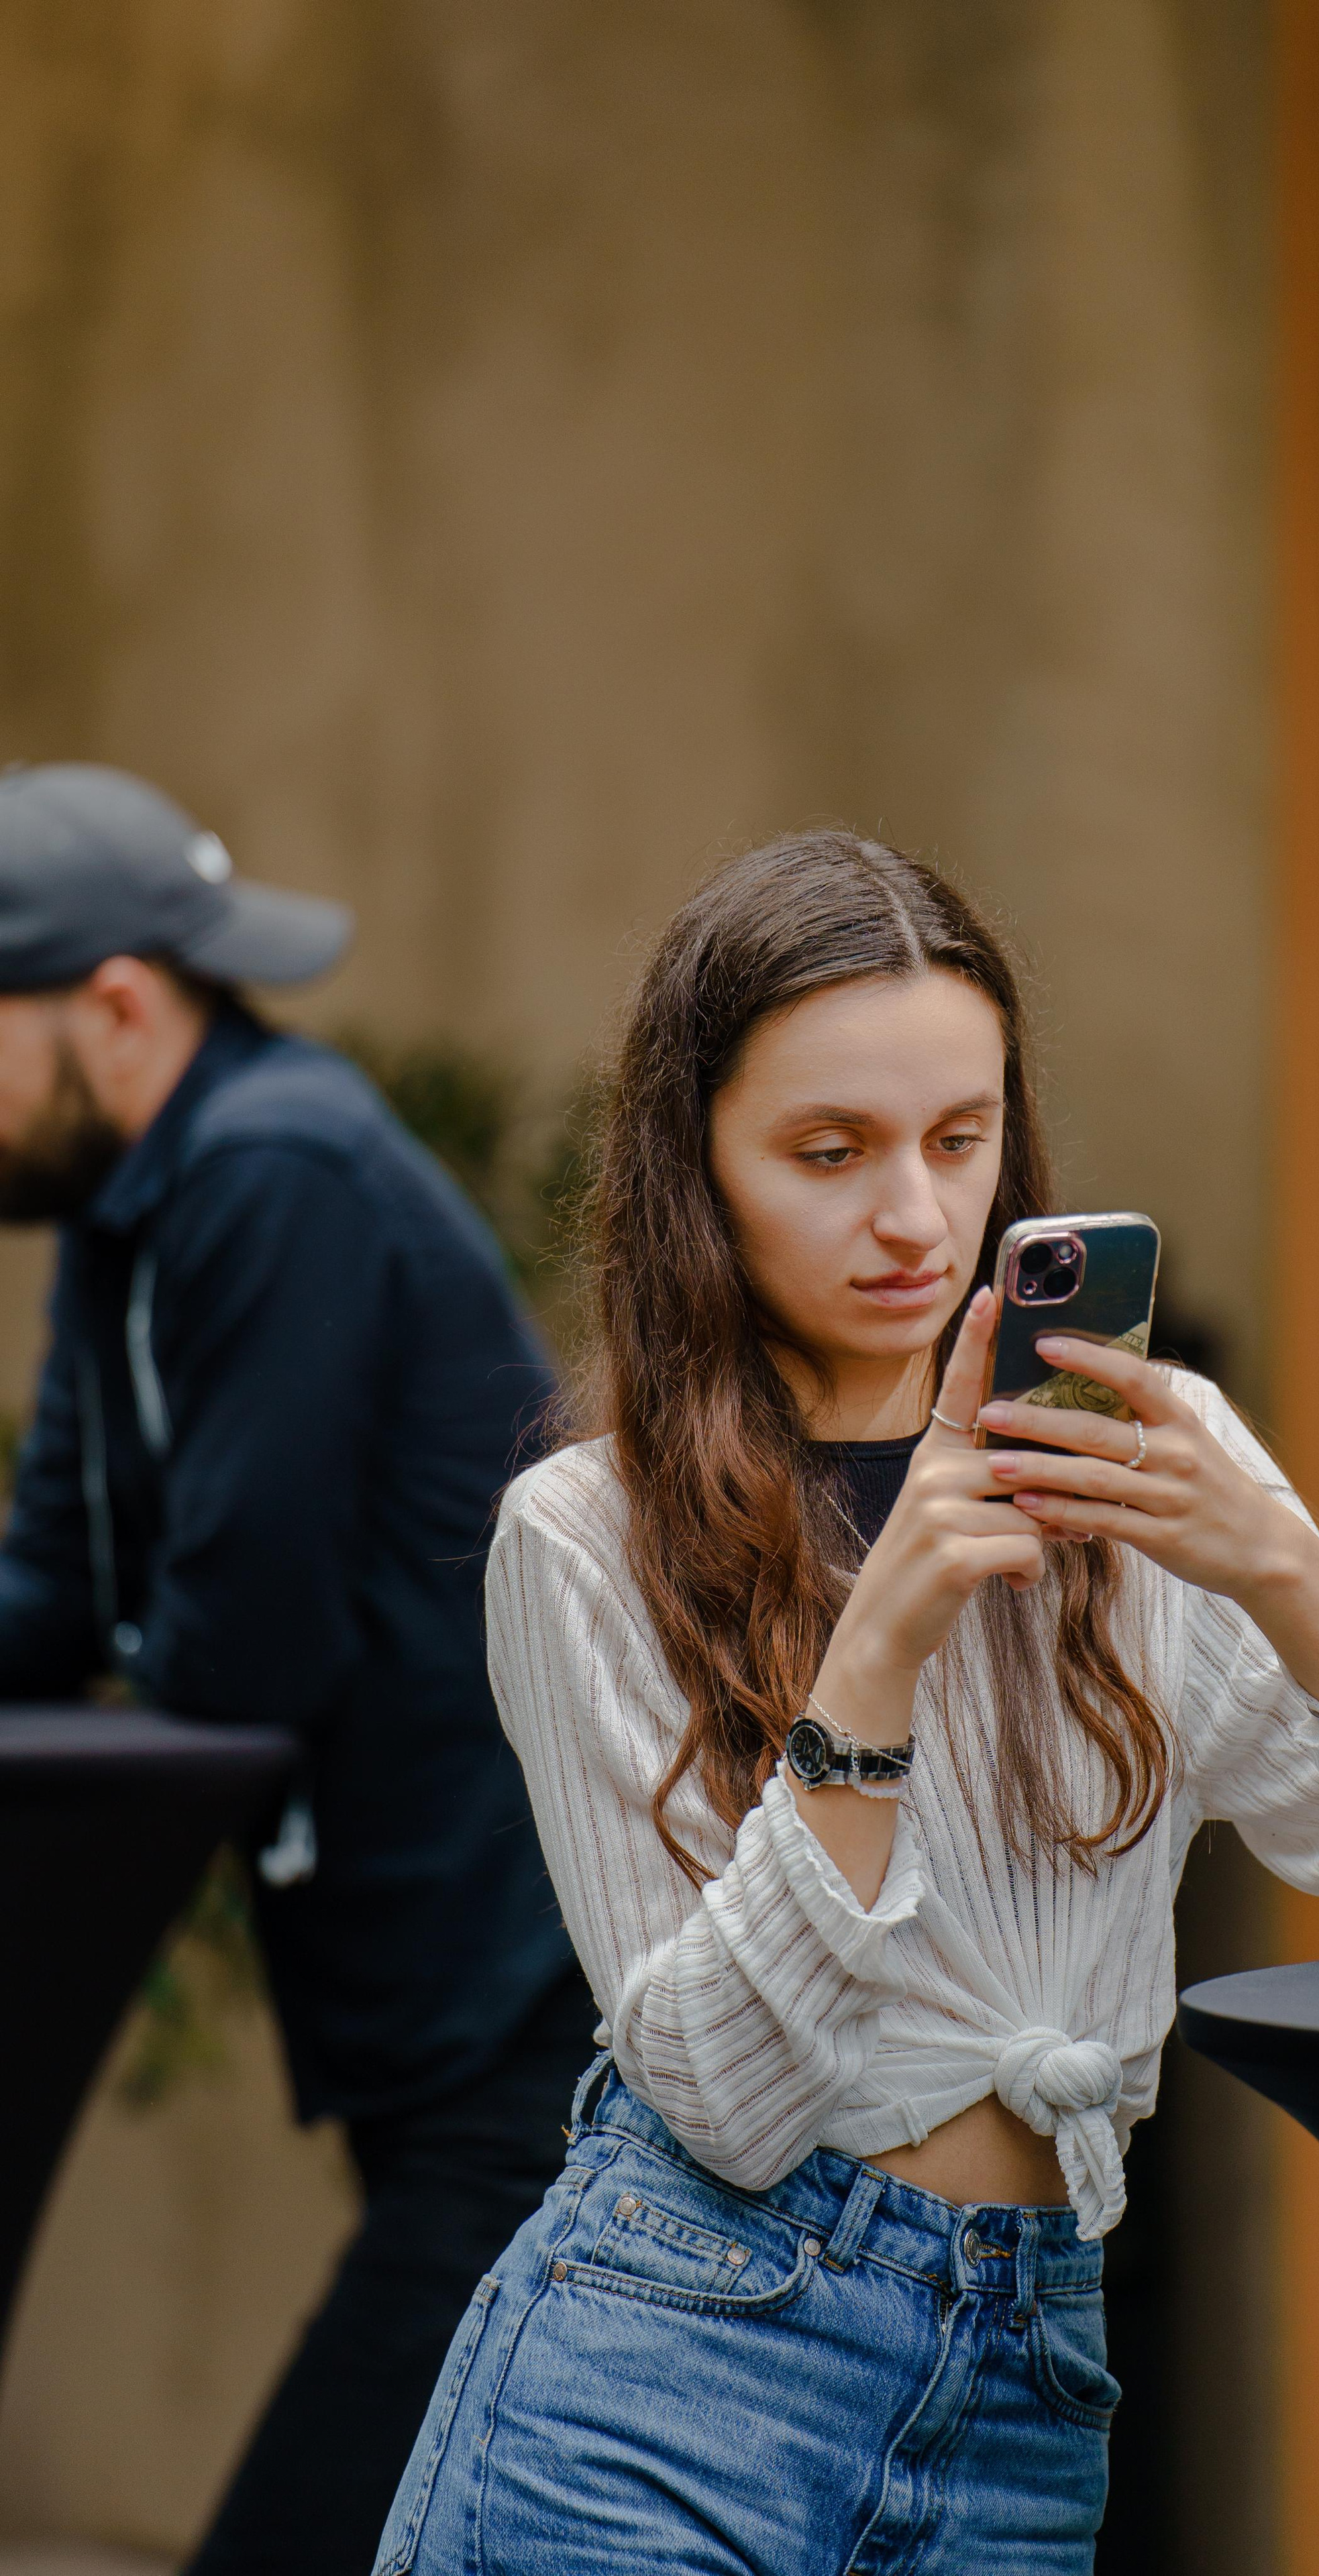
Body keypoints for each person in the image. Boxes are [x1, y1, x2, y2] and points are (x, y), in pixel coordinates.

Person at [376, 830, 1319, 2576]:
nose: (918, 1218)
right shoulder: (590, 1532)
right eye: (829, 1151)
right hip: (673, 2363)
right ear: (694, 1160)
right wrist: (882, 1652)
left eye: (962, 1137)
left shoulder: (1144, 1477)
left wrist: (1292, 1578)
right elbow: (719, 2096)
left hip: (1028, 2373)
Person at [0, 765, 596, 2576]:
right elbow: (56, 1576)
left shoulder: (277, 1177)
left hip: (534, 2027)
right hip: (425, 2021)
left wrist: (133, 1639)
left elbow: (242, 1637)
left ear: (114, 1006)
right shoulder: (136, 1220)